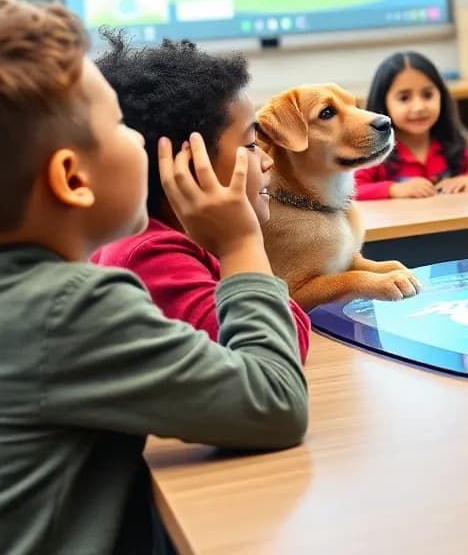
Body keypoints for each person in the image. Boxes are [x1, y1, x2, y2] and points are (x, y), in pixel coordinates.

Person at [0, 0, 308, 554]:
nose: (142, 143)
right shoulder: (72, 309)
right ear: (71, 178)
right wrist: (241, 242)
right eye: (120, 127)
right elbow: (276, 402)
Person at [92, 31, 311, 360]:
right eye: (251, 145)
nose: (267, 161)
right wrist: (241, 243)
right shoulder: (150, 256)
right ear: (191, 164)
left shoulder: (178, 241)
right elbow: (284, 346)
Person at [355, 51, 468, 200]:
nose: (419, 107)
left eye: (428, 95)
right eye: (404, 98)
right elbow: (353, 191)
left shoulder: (450, 145)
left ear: (441, 96)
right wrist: (394, 189)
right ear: (383, 104)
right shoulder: (377, 154)